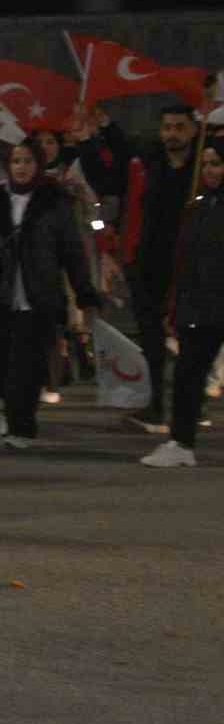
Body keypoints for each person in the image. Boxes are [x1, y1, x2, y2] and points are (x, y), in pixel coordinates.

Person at [0, 139, 101, 449]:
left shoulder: (55, 202)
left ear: (37, 165)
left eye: (27, 161)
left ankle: (21, 424)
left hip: (39, 296)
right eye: (16, 161)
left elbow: (72, 251)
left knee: (28, 365)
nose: (21, 167)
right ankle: (11, 406)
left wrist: (84, 291)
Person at [83, 106, 198, 433]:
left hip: (191, 265)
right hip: (147, 263)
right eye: (167, 127)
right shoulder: (148, 165)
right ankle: (158, 406)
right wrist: (90, 139)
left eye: (179, 127)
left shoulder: (204, 167)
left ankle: (190, 406)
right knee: (151, 338)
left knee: (193, 340)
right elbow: (110, 176)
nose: (172, 133)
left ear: (193, 130)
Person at [144, 137, 224, 468]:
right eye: (206, 163)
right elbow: (184, 262)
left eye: (217, 163)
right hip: (202, 307)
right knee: (187, 374)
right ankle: (181, 443)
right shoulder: (199, 207)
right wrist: (175, 305)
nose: (209, 170)